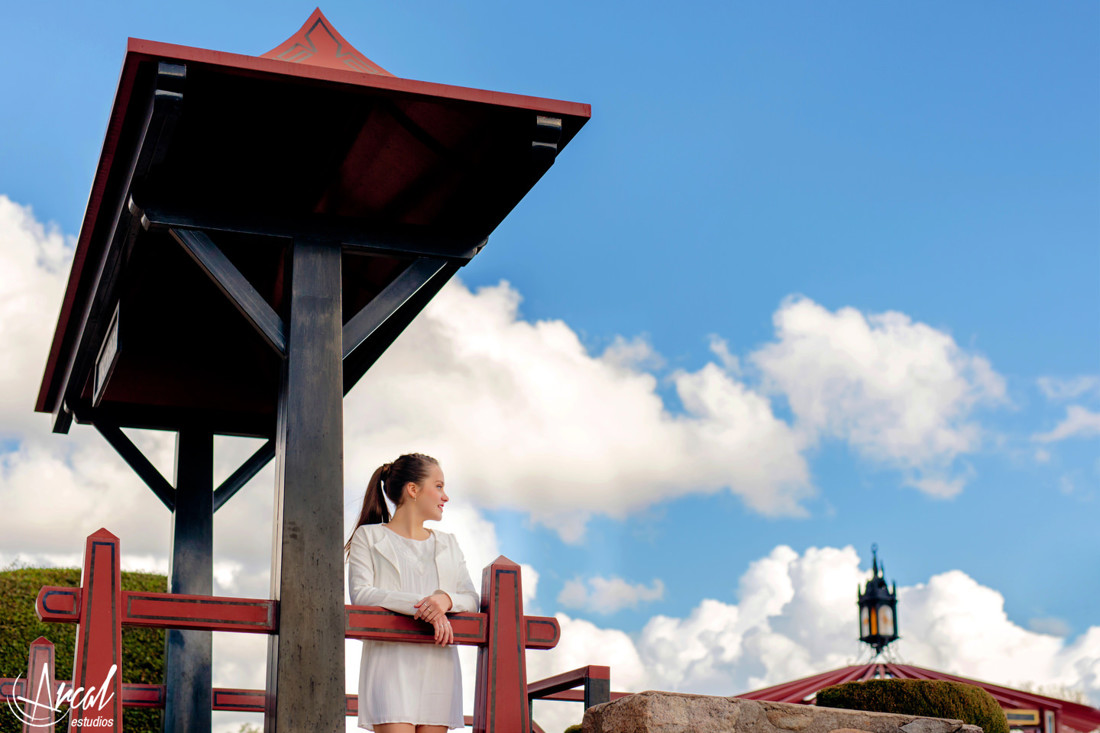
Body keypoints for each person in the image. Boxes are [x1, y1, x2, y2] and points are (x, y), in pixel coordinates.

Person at [345, 453, 479, 733]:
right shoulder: (369, 537)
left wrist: (444, 599)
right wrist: (425, 607)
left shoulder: (449, 544)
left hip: (438, 663)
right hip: (389, 664)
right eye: (439, 486)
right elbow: (362, 594)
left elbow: (471, 599)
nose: (446, 497)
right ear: (413, 489)